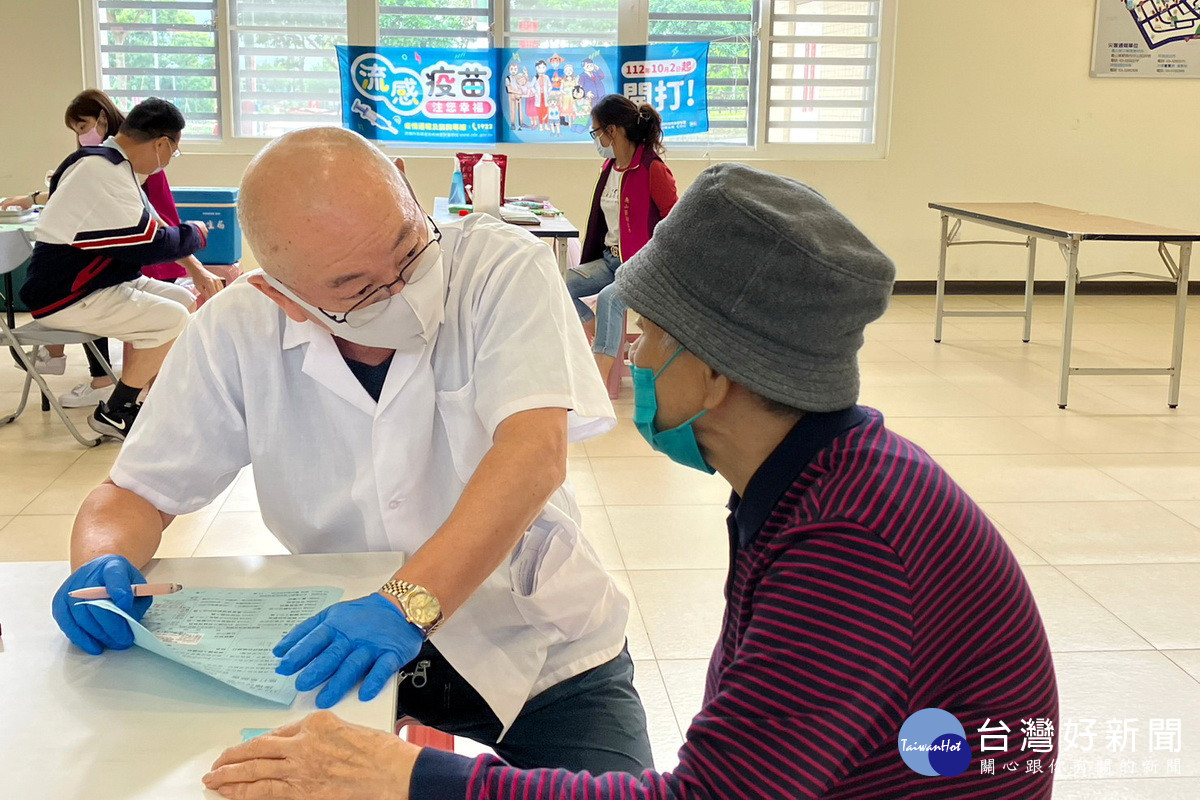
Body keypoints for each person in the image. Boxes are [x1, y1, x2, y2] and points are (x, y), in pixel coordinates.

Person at [204, 164, 1059, 800]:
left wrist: (416, 778)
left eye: (645, 336)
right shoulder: (815, 482)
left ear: (719, 372)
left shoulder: (848, 541)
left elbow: (707, 799)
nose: (628, 360)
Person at [52, 127, 652, 776]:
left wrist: (406, 603)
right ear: (282, 295)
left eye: (409, 250)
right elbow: (135, 493)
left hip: (539, 644)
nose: (401, 289)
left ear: (402, 183)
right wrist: (100, 564)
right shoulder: (238, 329)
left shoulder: (500, 267)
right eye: (356, 289)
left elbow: (533, 453)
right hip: (342, 650)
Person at [5, 89, 223, 409]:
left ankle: (158, 395)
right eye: (172, 152)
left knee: (182, 300)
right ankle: (118, 410)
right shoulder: (101, 170)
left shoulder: (117, 166)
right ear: (162, 143)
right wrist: (196, 233)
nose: (167, 162)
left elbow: (156, 227)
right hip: (67, 294)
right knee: (171, 317)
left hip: (98, 281)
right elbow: (148, 246)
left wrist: (195, 266)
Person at [566, 94, 677, 384]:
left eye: (595, 132)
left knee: (608, 299)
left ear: (612, 130)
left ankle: (597, 383)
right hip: (611, 260)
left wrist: (654, 262)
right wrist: (590, 320)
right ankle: (597, 335)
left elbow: (675, 222)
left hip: (644, 269)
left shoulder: (652, 169)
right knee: (560, 283)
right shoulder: (609, 169)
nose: (596, 140)